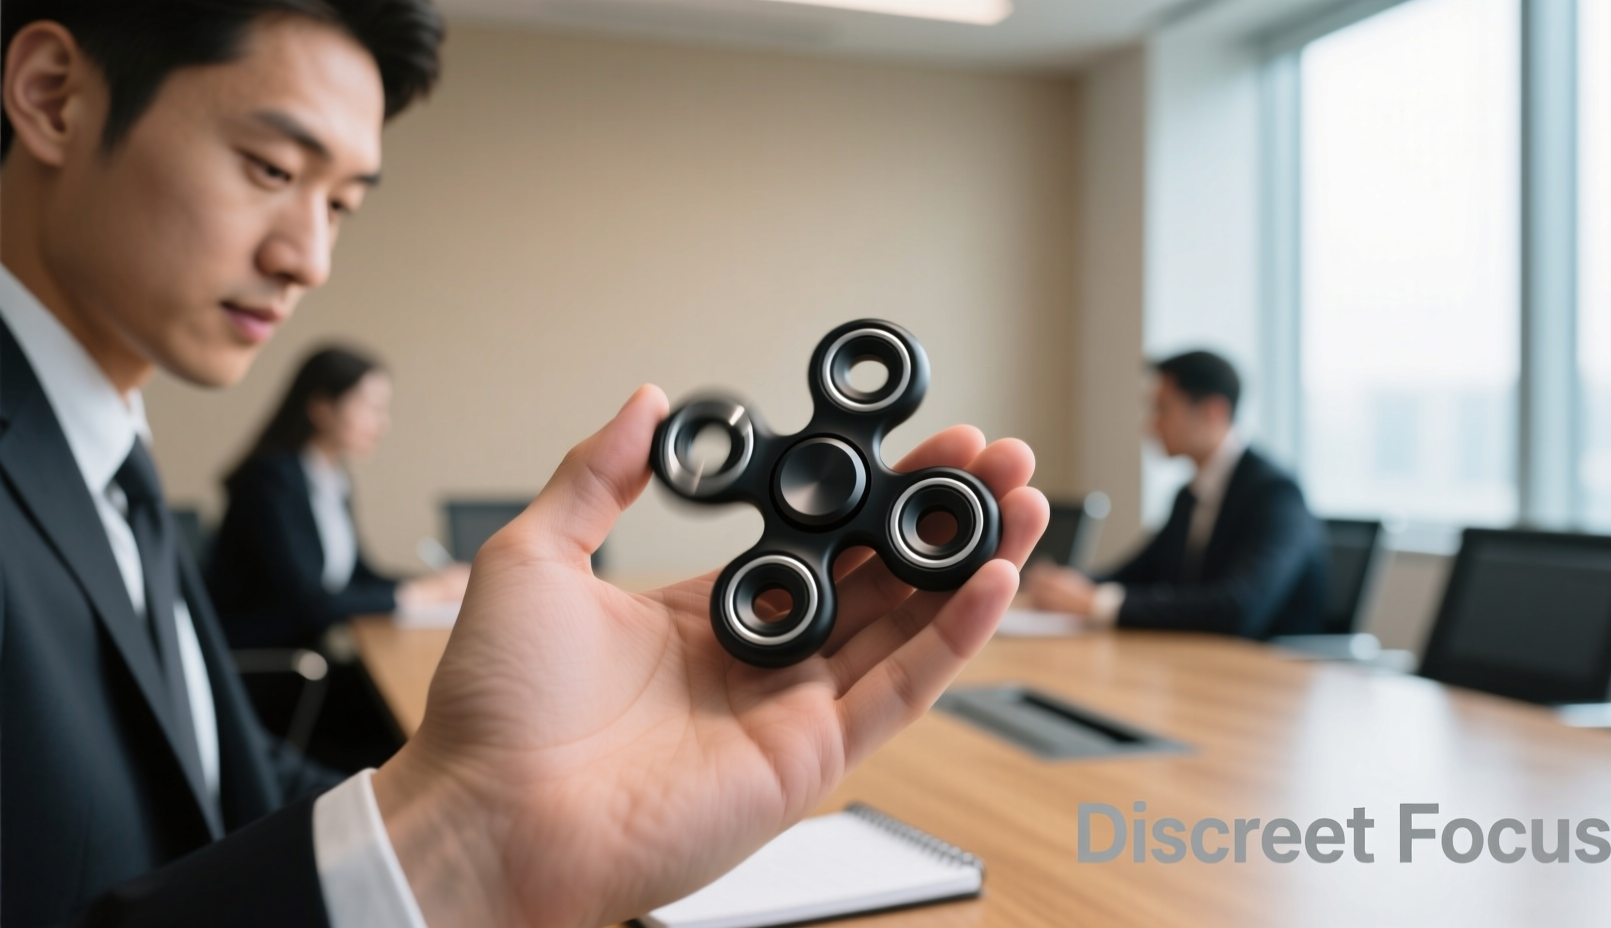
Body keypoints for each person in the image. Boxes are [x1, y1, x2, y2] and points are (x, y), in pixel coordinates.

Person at [0, 2, 1047, 927]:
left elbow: (210, 780)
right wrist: (453, 848)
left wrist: (480, 820)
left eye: (340, 204)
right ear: (52, 96)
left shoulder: (106, 469)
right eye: (273, 169)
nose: (307, 259)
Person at [1024, 350, 1324, 640]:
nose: (1150, 424)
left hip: (1268, 675)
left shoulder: (1274, 493)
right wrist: (1071, 585)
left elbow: (1237, 608)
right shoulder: (1190, 495)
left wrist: (1096, 604)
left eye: (1162, 408)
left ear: (1212, 411)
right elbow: (1139, 573)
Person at [209, 345, 469, 650]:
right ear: (322, 409)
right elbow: (308, 601)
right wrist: (421, 594)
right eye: (371, 408)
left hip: (313, 654)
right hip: (271, 664)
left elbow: (358, 575)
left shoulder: (331, 477)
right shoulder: (271, 480)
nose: (382, 425)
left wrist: (436, 587)